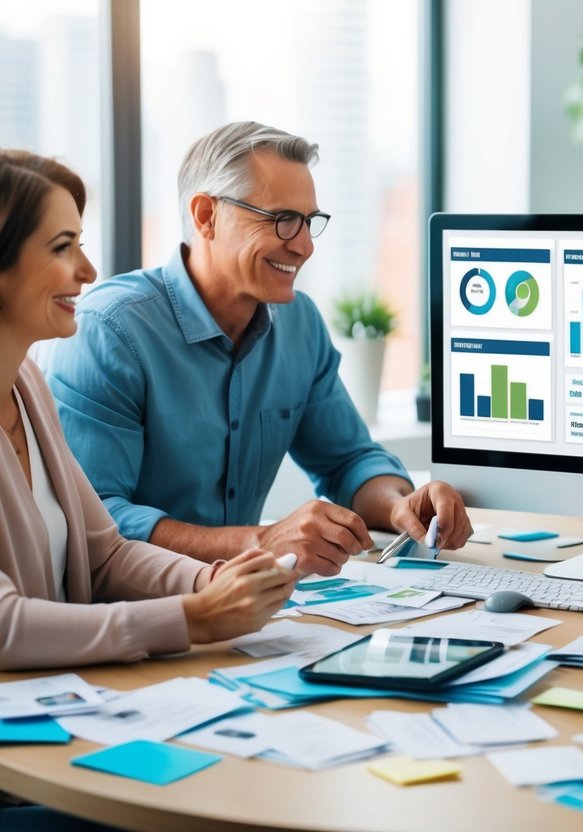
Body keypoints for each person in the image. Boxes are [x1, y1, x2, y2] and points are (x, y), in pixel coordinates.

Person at [41, 122, 471, 577]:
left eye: (309, 222)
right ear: (206, 215)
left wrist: (400, 504)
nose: (303, 246)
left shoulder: (299, 323)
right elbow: (96, 521)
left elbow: (348, 459)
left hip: (248, 608)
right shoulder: (109, 331)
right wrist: (261, 540)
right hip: (140, 613)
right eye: (283, 219)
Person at [0, 150, 293, 671]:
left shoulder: (27, 386)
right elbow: (6, 626)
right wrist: (192, 618)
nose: (88, 270)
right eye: (62, 247)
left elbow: (105, 554)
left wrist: (210, 581)